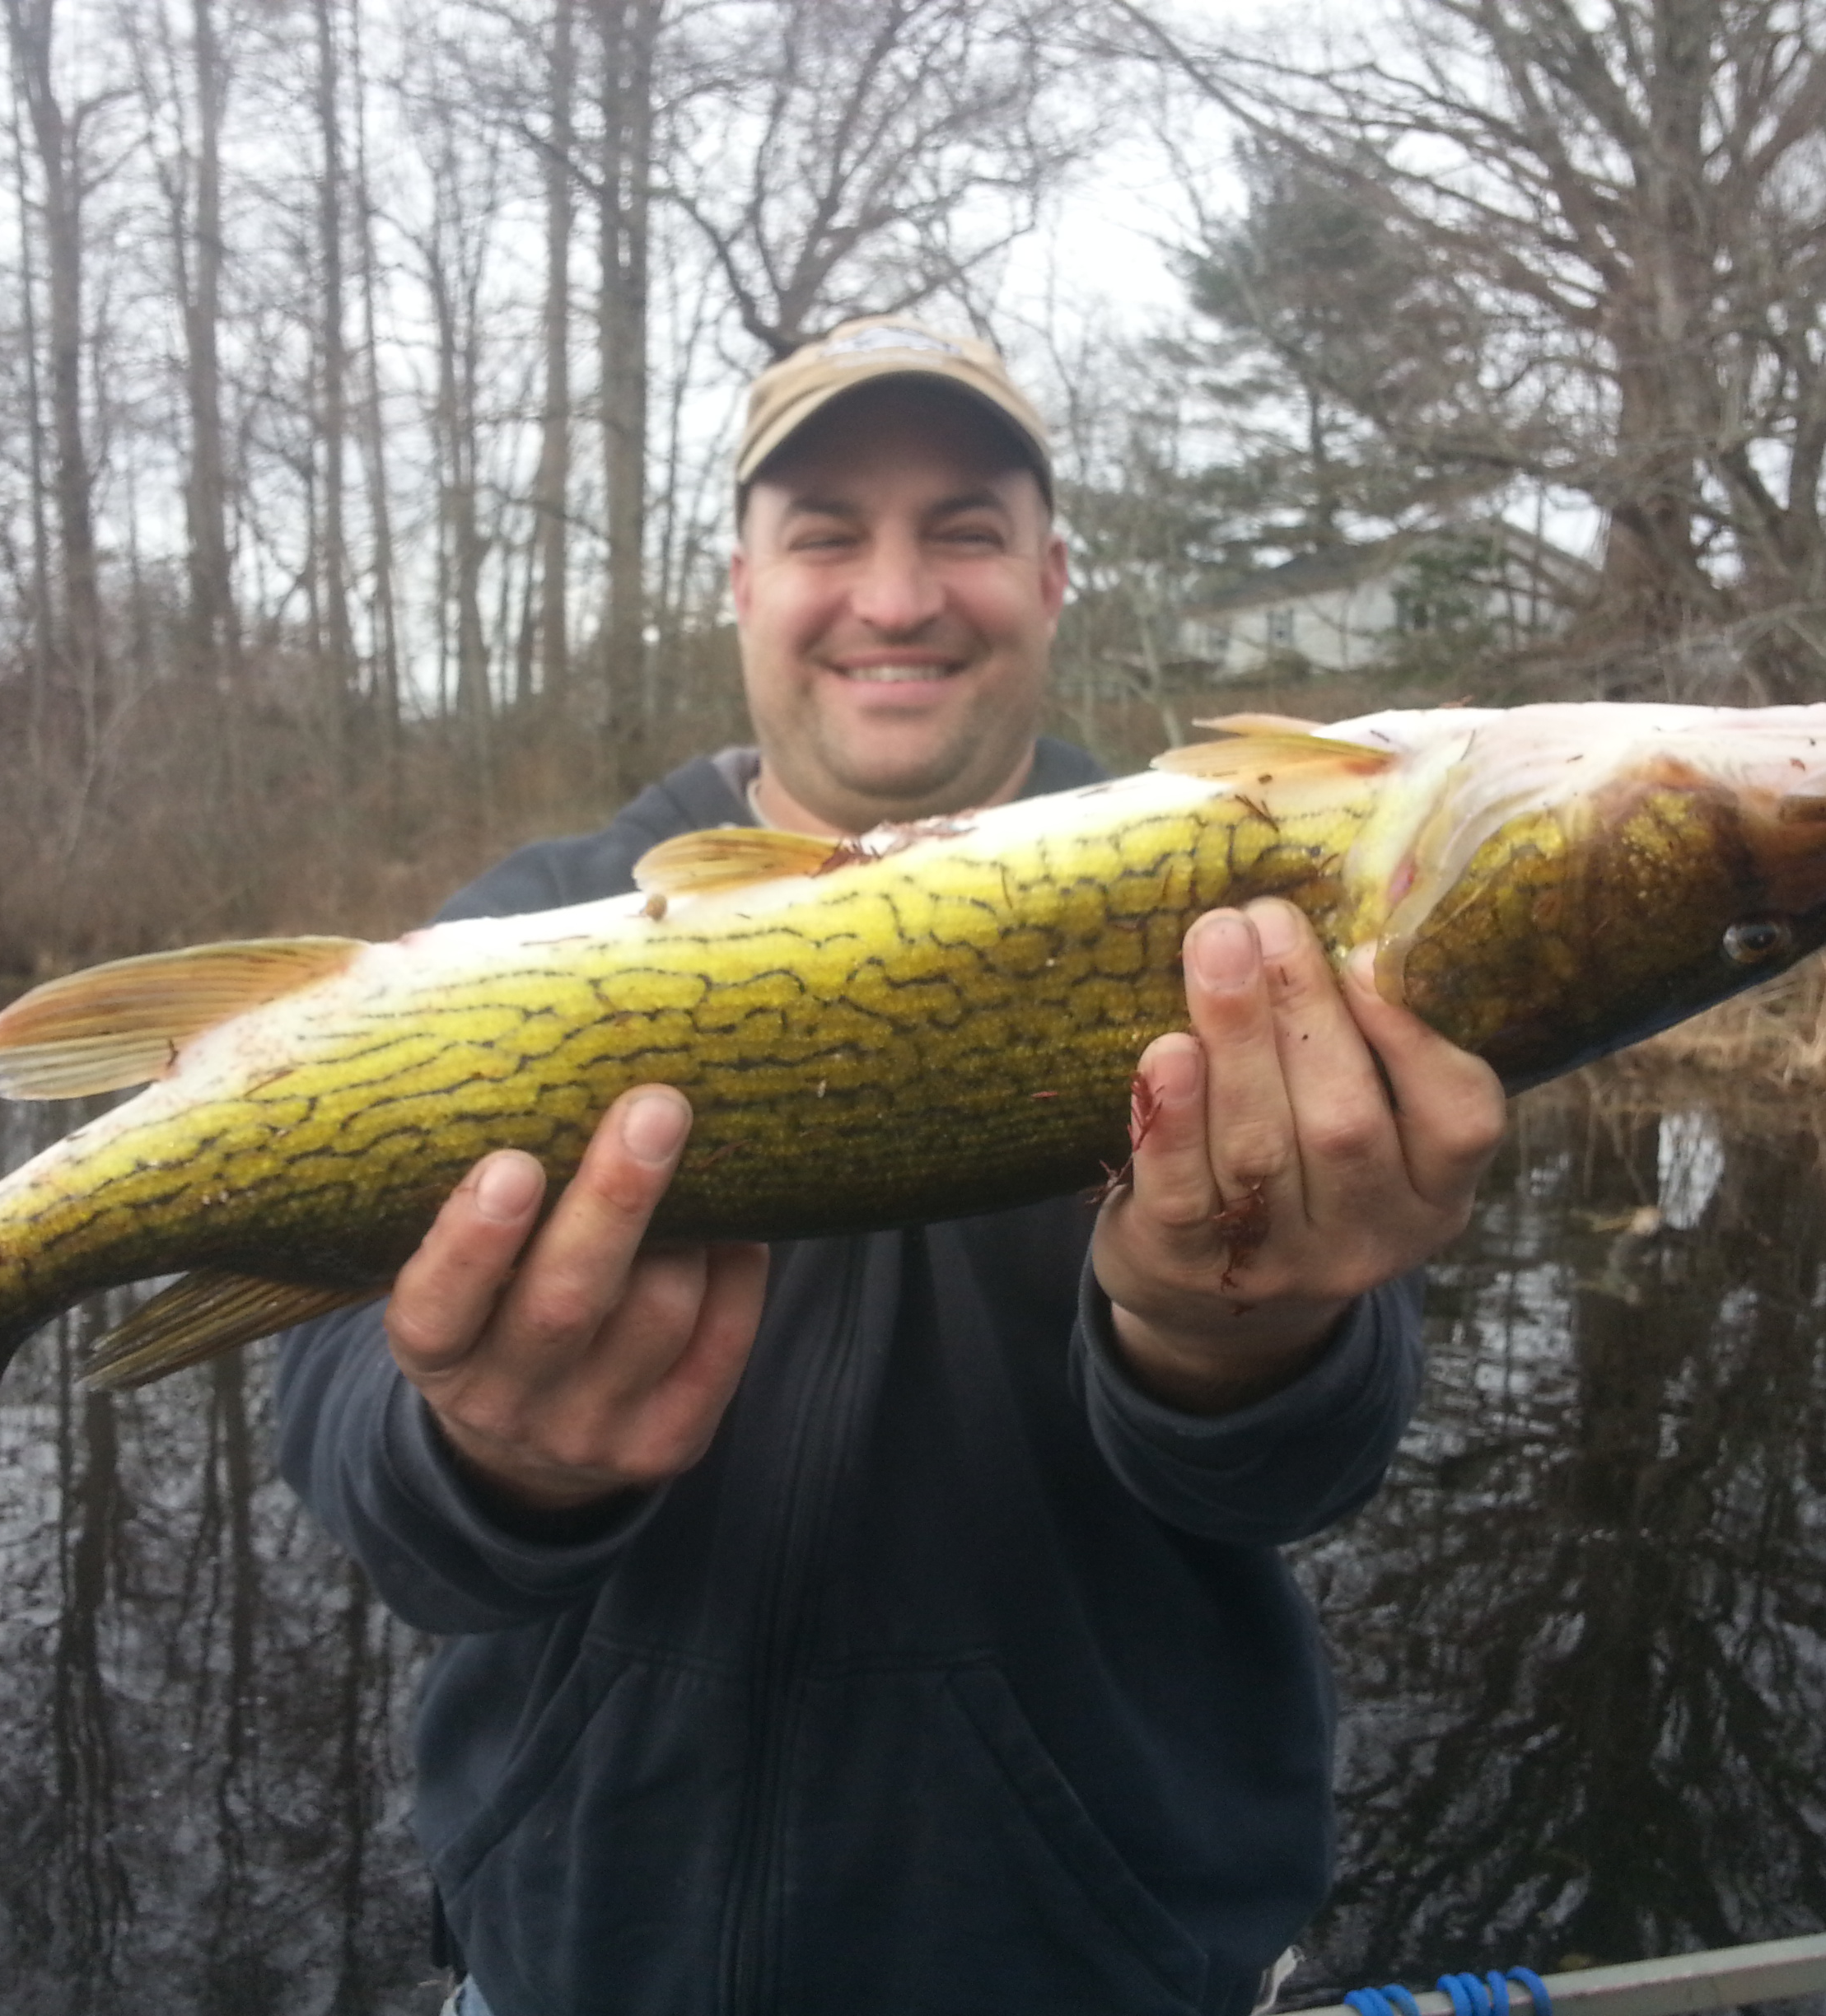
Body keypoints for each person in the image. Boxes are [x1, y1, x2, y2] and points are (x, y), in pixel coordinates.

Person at [273, 315, 1508, 2016]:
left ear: (1054, 578)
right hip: (579, 1961)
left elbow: (1307, 1474)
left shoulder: (1240, 913)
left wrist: (1237, 1343)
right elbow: (364, 1467)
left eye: (967, 530)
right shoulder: (530, 925)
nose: (900, 595)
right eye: (829, 534)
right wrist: (489, 1461)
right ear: (741, 585)